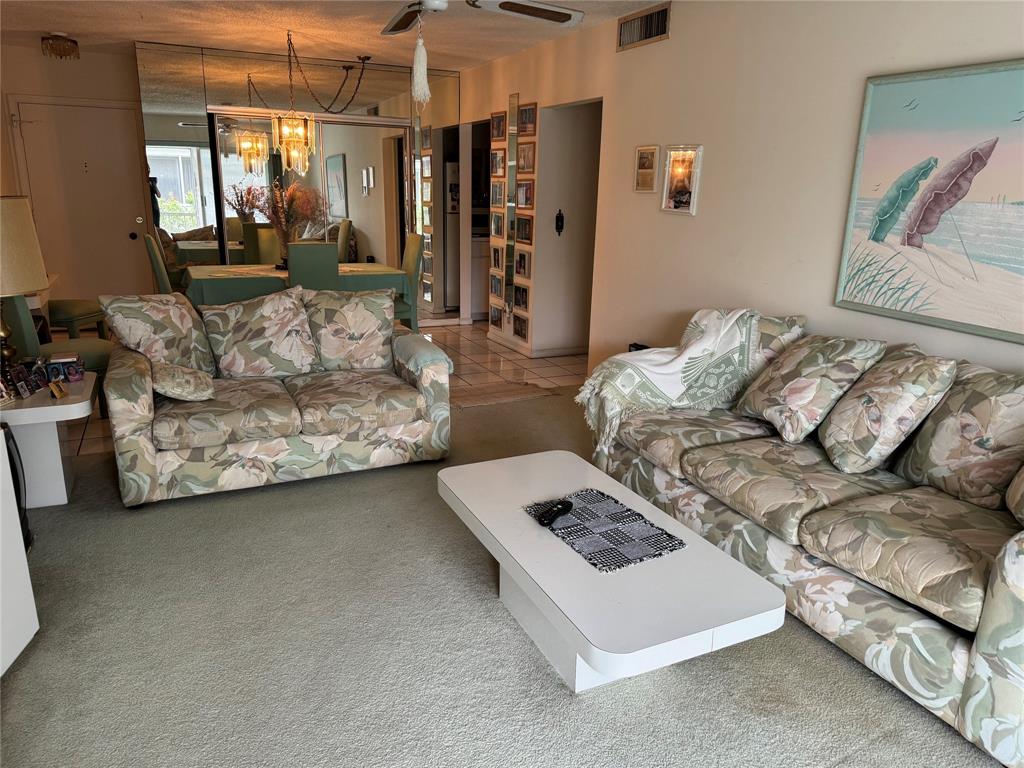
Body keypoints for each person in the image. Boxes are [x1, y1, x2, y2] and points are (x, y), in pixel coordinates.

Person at [146, 162, 161, 228]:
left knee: (156, 224)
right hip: (147, 205)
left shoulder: (152, 180)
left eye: (149, 169)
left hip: (154, 204)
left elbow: (158, 195)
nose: (148, 171)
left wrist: (153, 184)